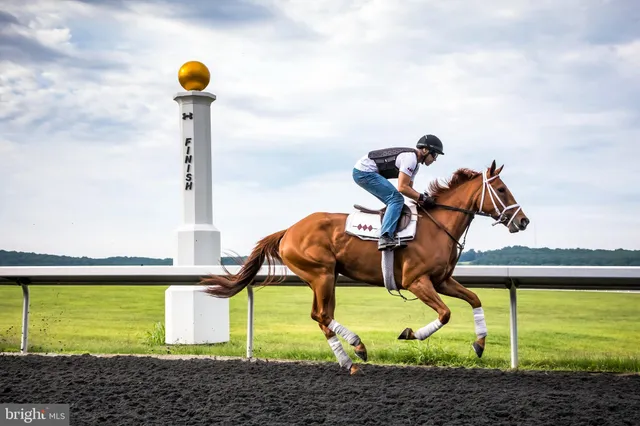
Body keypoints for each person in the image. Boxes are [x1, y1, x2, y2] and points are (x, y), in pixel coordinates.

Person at [352, 134, 444, 250]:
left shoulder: (415, 165)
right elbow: (402, 188)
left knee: (397, 200)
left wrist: (422, 199)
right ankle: (385, 237)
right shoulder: (410, 159)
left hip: (366, 172)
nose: (435, 159)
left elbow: (409, 189)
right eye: (434, 154)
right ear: (425, 150)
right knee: (396, 199)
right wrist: (422, 198)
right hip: (363, 172)